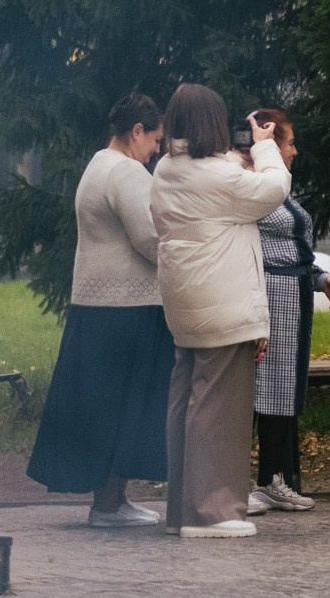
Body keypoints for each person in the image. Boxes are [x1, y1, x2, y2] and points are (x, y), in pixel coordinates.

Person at [26, 93, 173, 526]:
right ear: (136, 132)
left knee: (105, 405)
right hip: (128, 307)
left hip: (97, 306)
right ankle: (109, 506)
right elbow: (149, 239)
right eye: (155, 140)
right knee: (127, 407)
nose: (157, 150)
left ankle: (110, 501)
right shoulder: (127, 172)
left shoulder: (96, 165)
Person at [151, 85, 290, 539]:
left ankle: (182, 510)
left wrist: (243, 153)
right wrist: (266, 148)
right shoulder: (220, 178)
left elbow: (217, 173)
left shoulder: (166, 169)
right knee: (219, 410)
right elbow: (273, 190)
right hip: (224, 303)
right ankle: (213, 513)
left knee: (186, 403)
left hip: (185, 303)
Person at [247, 108, 330, 517]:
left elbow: (295, 252)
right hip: (268, 294)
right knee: (259, 388)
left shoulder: (281, 192)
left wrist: (320, 278)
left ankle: (274, 478)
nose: (295, 150)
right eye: (288, 142)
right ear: (270, 143)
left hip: (292, 295)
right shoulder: (253, 187)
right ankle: (246, 481)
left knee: (280, 389)